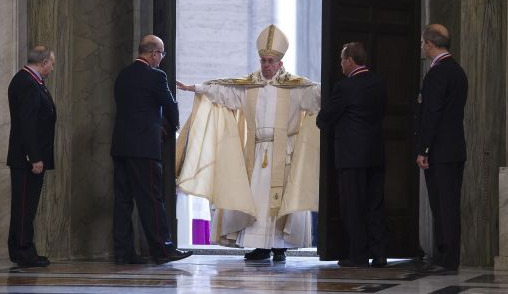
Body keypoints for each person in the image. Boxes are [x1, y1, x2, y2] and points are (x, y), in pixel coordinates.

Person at [176, 25, 320, 262]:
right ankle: (260, 246)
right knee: (255, 200)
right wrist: (195, 88)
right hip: (256, 151)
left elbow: (317, 96)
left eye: (270, 61)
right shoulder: (249, 86)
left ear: (280, 63)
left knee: (279, 200)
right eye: (263, 60)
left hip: (284, 154)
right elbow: (223, 93)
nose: (265, 65)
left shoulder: (295, 87)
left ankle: (279, 246)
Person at [110, 35, 192, 265]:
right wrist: (170, 126)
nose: (161, 59)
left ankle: (123, 252)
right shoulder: (156, 75)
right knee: (152, 200)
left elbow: (131, 108)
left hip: (121, 146)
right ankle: (163, 250)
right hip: (144, 147)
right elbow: (170, 105)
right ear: (154, 53)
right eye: (162, 54)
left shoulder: (123, 74)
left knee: (123, 201)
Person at [316, 42, 388, 268]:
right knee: (375, 205)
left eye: (341, 60)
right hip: (375, 154)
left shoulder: (345, 87)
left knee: (353, 206)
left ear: (349, 60)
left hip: (351, 156)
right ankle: (380, 254)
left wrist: (322, 119)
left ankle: (358, 255)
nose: (340, 65)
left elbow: (326, 117)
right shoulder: (379, 83)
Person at [415, 24, 468, 275]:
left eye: (423, 43)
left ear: (430, 44)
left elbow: (432, 114)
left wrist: (424, 149)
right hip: (455, 148)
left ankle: (447, 258)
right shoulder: (457, 71)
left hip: (440, 151)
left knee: (443, 205)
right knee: (449, 204)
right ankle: (445, 256)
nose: (422, 47)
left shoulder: (437, 73)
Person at [7, 45, 56, 267]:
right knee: (25, 205)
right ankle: (23, 251)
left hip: (31, 156)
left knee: (27, 205)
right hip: (27, 159)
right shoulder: (26, 83)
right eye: (52, 64)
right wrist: (34, 157)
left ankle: (24, 248)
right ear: (43, 62)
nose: (52, 68)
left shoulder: (32, 81)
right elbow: (27, 124)